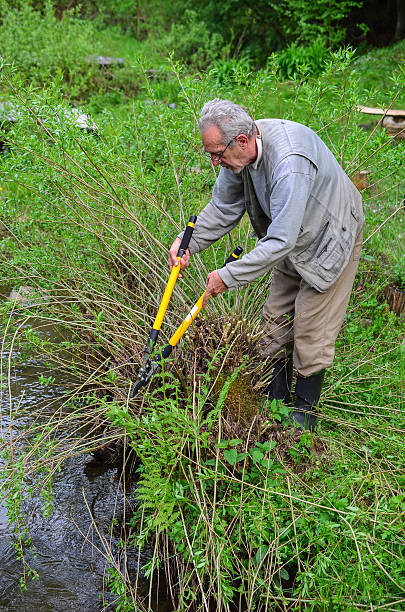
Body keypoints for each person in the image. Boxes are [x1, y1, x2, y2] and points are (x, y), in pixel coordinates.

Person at [169, 99, 364, 431]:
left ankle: (303, 419)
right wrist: (186, 242)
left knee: (310, 327)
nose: (215, 162)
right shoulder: (238, 159)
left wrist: (226, 276)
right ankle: (275, 403)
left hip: (330, 236)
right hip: (289, 235)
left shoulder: (289, 163)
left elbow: (281, 241)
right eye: (210, 155)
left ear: (242, 141)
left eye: (218, 153)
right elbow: (222, 208)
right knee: (274, 319)